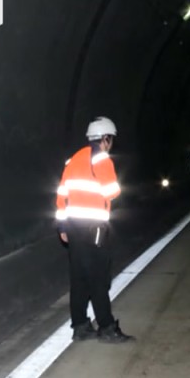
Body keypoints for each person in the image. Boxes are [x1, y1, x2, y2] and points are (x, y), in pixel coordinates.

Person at [55, 116, 133, 344]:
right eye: (111, 140)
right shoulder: (101, 159)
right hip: (94, 228)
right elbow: (112, 191)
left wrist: (62, 225)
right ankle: (107, 327)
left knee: (79, 278)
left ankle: (80, 326)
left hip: (73, 227)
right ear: (106, 139)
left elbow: (61, 195)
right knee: (99, 279)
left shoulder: (73, 160)